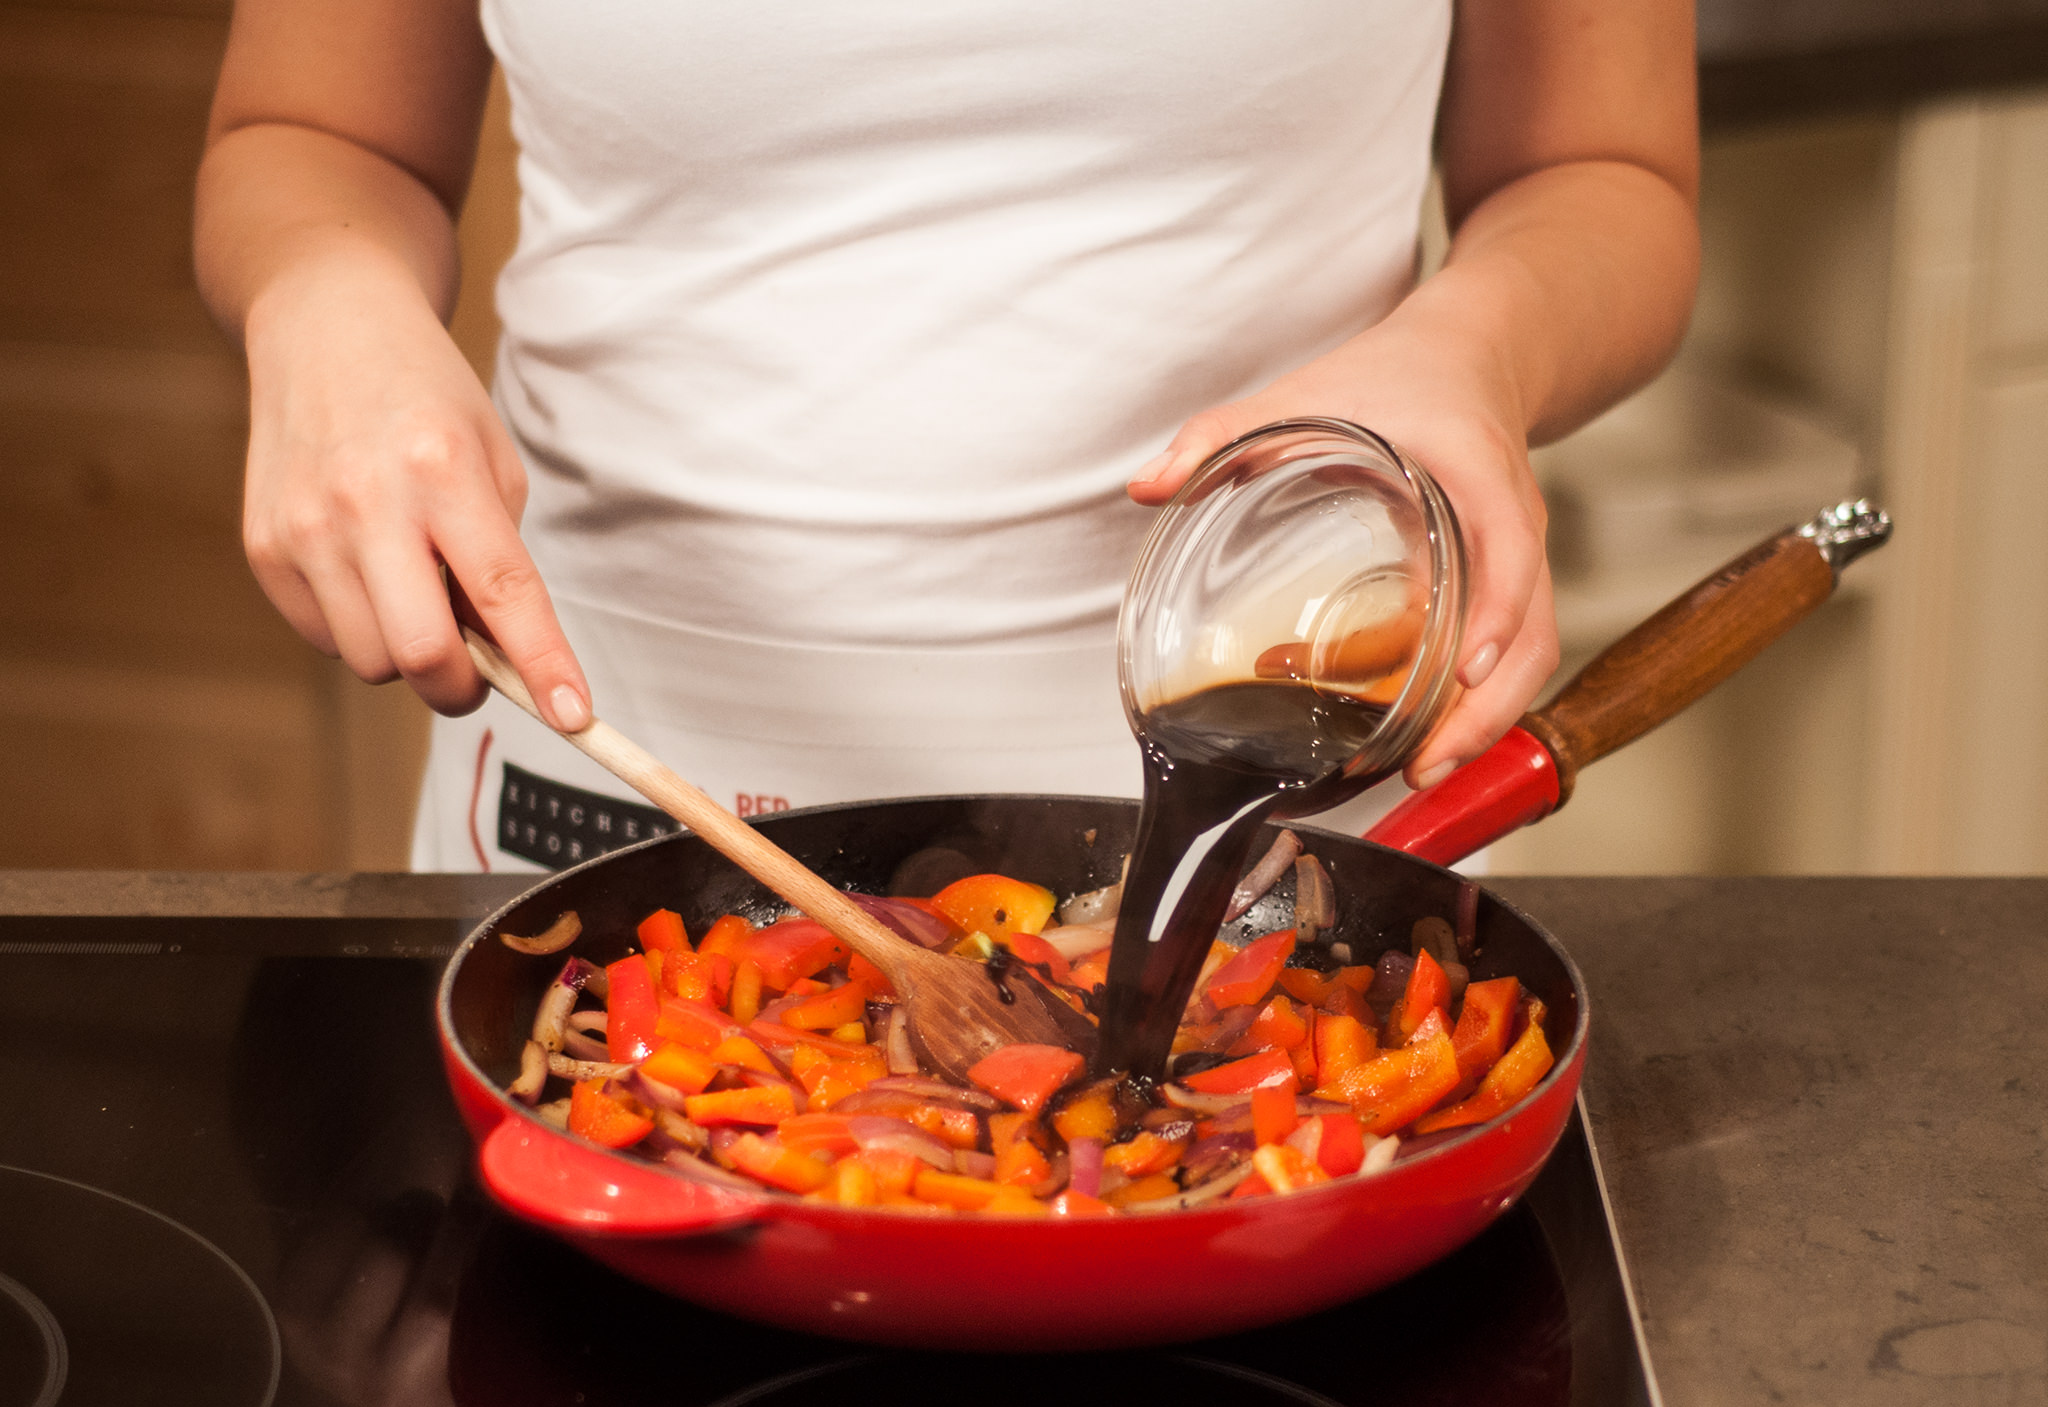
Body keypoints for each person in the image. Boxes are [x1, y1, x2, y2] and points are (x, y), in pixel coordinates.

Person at [195, 1, 1699, 874]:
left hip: (1291, 827)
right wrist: (323, 294)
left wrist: (1473, 349)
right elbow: (318, 133)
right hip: (612, 801)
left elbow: (1604, 169)